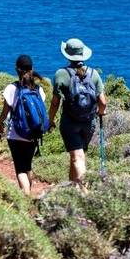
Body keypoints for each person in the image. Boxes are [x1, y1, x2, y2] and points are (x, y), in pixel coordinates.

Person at [48, 37, 106, 189]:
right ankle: (72, 189)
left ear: (67, 55)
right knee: (78, 155)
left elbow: (55, 102)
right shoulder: (93, 74)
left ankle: (84, 191)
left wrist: (50, 119)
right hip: (88, 122)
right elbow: (103, 102)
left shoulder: (61, 74)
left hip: (70, 122)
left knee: (77, 156)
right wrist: (101, 113)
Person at [0, 54, 49, 195]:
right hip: (33, 133)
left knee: (20, 169)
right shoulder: (38, 90)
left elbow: (5, 112)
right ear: (32, 69)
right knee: (28, 166)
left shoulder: (12, 88)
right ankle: (29, 192)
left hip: (15, 134)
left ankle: (26, 196)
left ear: (17, 70)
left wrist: (0, 124)